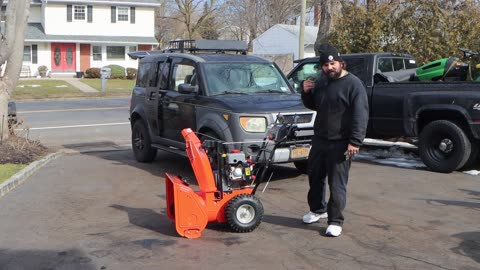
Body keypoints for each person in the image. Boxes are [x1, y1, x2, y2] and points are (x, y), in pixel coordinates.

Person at [300, 44, 369, 237]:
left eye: (333, 63)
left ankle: (335, 221)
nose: (329, 67)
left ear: (340, 63)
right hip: (320, 139)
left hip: (342, 142)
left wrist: (355, 141)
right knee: (315, 177)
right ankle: (317, 210)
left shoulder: (353, 84)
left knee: (336, 183)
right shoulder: (322, 82)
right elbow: (315, 105)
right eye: (326, 65)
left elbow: (360, 115)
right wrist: (305, 93)